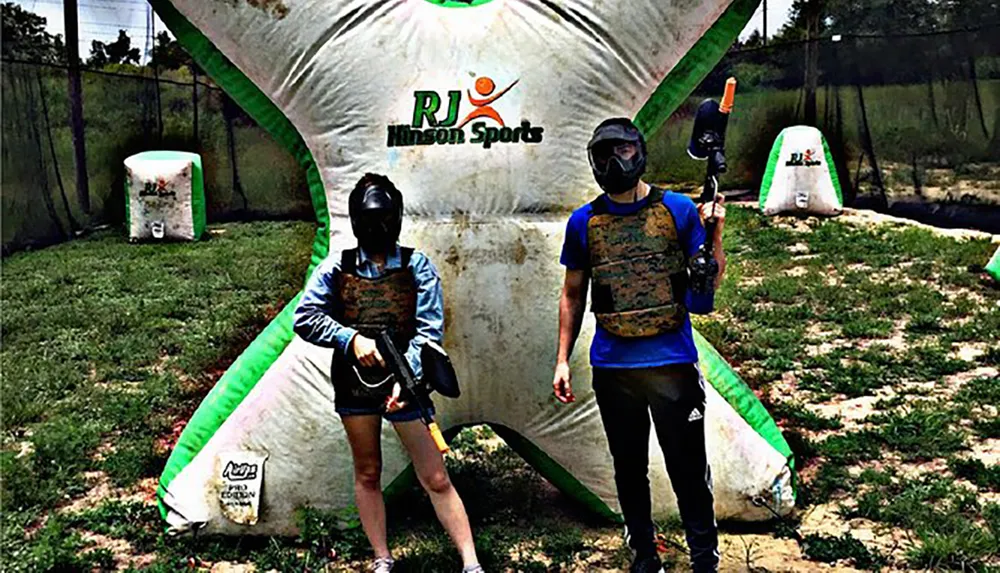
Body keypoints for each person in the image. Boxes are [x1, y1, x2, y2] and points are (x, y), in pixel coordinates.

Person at [551, 118, 727, 573]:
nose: (614, 163)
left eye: (623, 151)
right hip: (614, 367)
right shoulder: (584, 223)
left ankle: (704, 557)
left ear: (640, 152)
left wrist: (716, 235)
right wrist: (562, 361)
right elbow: (572, 294)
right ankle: (645, 555)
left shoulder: (678, 211)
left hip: (671, 363)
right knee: (628, 468)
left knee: (688, 469)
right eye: (604, 155)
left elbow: (703, 292)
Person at [294, 173, 482, 573]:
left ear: (396, 217)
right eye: (369, 219)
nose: (377, 228)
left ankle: (471, 563)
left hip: (406, 385)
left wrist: (407, 376)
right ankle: (382, 559)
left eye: (384, 218)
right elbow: (305, 318)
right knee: (367, 471)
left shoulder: (418, 268)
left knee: (435, 476)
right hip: (354, 386)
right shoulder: (337, 268)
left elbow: (429, 334)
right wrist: (350, 339)